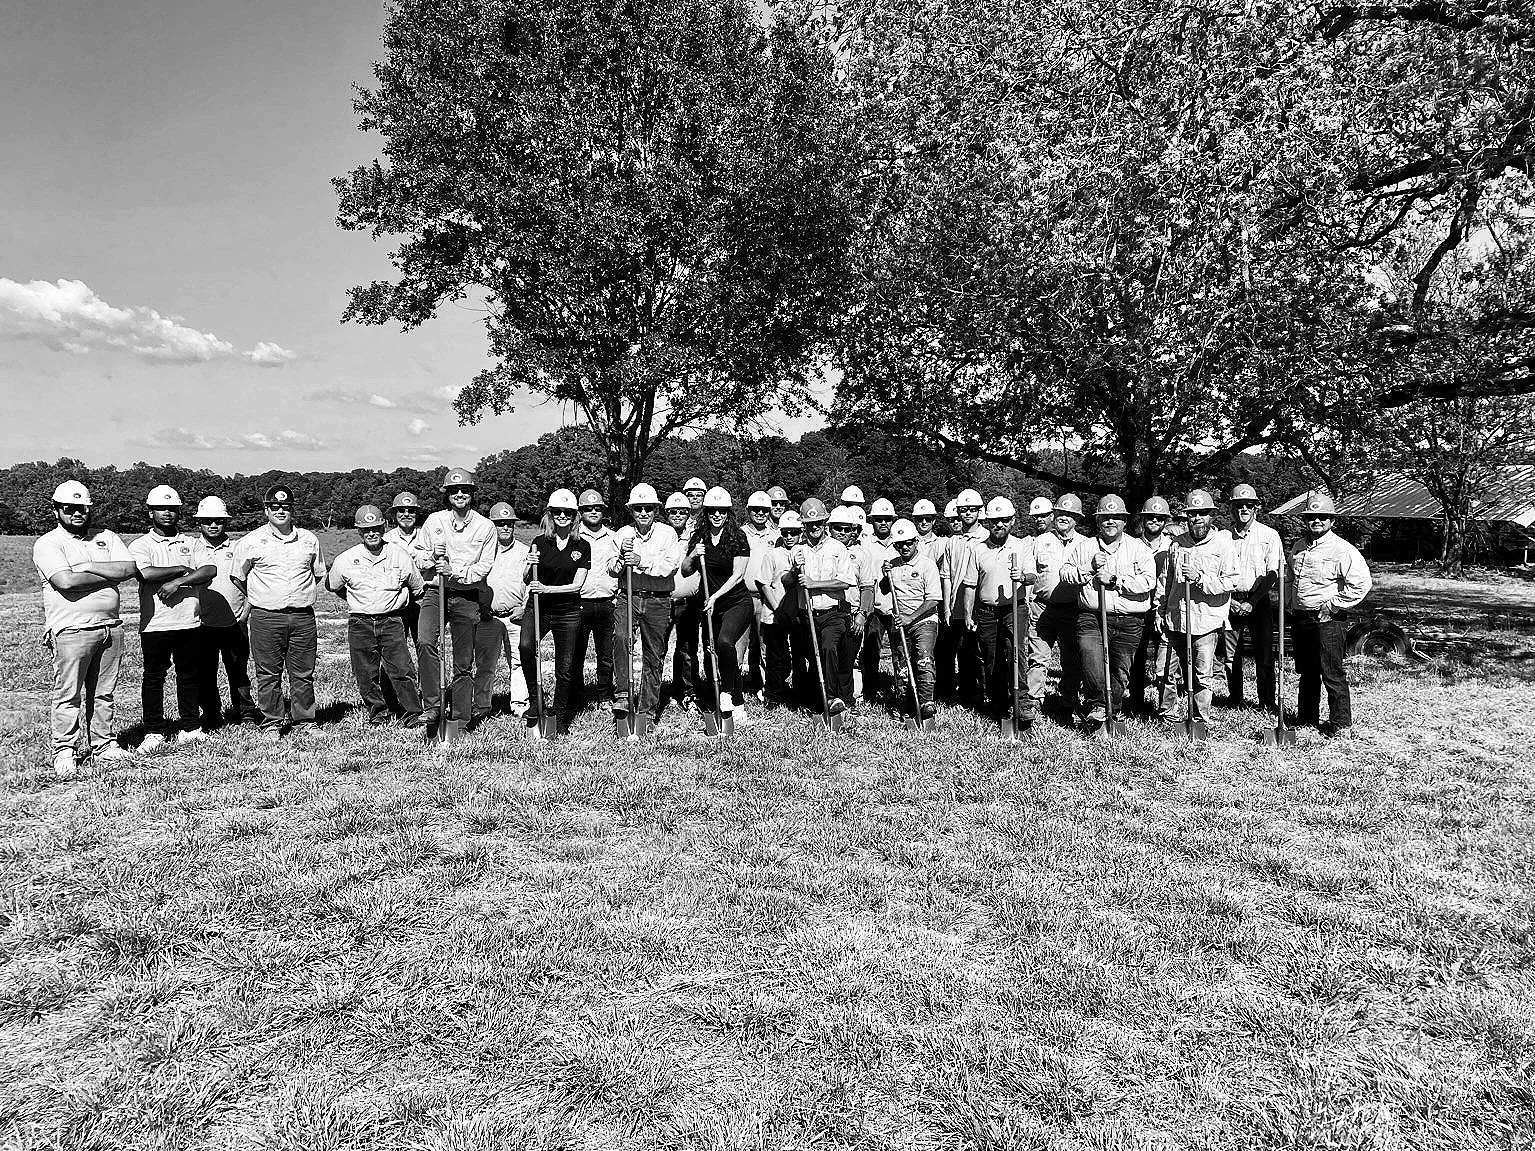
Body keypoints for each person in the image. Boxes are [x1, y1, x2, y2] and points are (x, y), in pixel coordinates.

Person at [33, 480, 138, 777]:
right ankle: (65, 750)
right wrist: (107, 572)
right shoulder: (48, 543)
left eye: (83, 508)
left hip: (110, 626)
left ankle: (104, 744)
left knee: (104, 693)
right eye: (70, 508)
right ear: (57, 510)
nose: (78, 513)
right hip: (71, 630)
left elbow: (129, 569)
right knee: (69, 694)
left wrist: (86, 567)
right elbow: (65, 582)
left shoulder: (106, 536)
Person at [231, 484, 327, 740]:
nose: (280, 511)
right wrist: (262, 595)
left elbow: (317, 574)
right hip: (266, 616)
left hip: (302, 616)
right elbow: (238, 577)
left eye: (285, 506)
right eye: (275, 506)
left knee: (303, 672)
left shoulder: (309, 540)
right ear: (266, 510)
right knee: (268, 673)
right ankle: (271, 722)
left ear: (292, 509)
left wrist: (296, 594)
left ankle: (305, 721)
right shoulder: (250, 541)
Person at [1059, 495, 1156, 732]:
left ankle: (1111, 710)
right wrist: (1089, 568)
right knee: (1091, 661)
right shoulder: (1085, 548)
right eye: (1105, 518)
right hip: (1091, 616)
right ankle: (1098, 705)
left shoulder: (1139, 548)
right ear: (1098, 521)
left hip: (1130, 620)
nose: (1110, 521)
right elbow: (1065, 574)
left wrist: (1115, 581)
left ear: (1124, 521)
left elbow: (1148, 582)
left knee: (1120, 672)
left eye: (1116, 518)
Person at [130, 485, 217, 750]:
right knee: (154, 677)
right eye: (161, 509)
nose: (167, 513)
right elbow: (144, 573)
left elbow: (209, 570)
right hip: (155, 623)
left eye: (172, 509)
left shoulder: (191, 543)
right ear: (150, 513)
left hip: (188, 621)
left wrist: (177, 584)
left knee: (189, 675)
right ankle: (154, 730)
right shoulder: (141, 545)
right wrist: (180, 570)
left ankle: (190, 726)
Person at [326, 505, 424, 727]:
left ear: (383, 527)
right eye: (366, 529)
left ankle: (412, 712)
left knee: (401, 669)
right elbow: (334, 586)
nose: (371, 533)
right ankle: (378, 713)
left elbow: (417, 588)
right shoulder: (346, 558)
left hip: (392, 621)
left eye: (376, 528)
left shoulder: (400, 556)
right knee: (366, 673)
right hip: (360, 622)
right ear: (359, 532)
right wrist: (358, 600)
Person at [1288, 492, 1372, 737]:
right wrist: (1288, 604)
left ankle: (1340, 724)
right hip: (1302, 618)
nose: (1316, 521)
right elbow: (1291, 579)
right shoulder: (1298, 547)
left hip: (1327, 621)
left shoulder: (1342, 549)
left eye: (1322, 517)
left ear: (1332, 521)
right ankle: (1306, 718)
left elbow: (1361, 583)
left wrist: (1334, 605)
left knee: (1332, 672)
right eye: (1312, 517)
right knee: (1307, 672)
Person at [421, 467, 495, 735]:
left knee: (463, 661)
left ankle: (461, 718)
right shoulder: (433, 521)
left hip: (467, 596)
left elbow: (484, 567)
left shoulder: (485, 527)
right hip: (435, 592)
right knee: (426, 641)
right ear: (447, 494)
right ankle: (432, 706)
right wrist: (431, 559)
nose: (460, 494)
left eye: (465, 490)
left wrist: (457, 573)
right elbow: (418, 556)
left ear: (472, 494)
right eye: (454, 490)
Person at [1159, 489, 1239, 727]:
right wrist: (1160, 610)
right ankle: (1168, 715)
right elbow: (1166, 581)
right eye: (1192, 514)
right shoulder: (1176, 544)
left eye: (1202, 513)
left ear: (1211, 516)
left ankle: (1199, 719)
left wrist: (1201, 578)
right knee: (1165, 671)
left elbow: (1231, 581)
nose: (1197, 518)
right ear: (1187, 517)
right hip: (1175, 618)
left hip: (1206, 621)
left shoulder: (1223, 545)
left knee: (1202, 675)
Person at [609, 484, 681, 733]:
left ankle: (647, 711)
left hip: (658, 600)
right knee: (621, 639)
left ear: (655, 510)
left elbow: (670, 566)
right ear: (631, 510)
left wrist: (642, 562)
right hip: (628, 596)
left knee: (654, 654)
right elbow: (611, 569)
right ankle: (623, 694)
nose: (643, 512)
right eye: (638, 508)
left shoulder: (668, 534)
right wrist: (620, 558)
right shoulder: (621, 534)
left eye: (648, 508)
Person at [682, 487, 754, 724]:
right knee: (714, 651)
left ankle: (730, 694)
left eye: (721, 511)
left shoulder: (737, 537)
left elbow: (738, 575)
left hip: (737, 602)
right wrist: (693, 554)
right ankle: (728, 698)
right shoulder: (700, 536)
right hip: (710, 605)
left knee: (724, 642)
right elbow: (685, 570)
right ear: (706, 512)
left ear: (728, 513)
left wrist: (715, 597)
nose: (717, 515)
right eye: (712, 510)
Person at [520, 489, 589, 735]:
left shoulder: (583, 546)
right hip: (538, 607)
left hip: (568, 612)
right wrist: (530, 565)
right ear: (550, 515)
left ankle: (559, 716)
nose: (562, 516)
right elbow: (527, 578)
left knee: (565, 667)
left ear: (574, 517)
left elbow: (577, 586)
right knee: (526, 647)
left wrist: (547, 588)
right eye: (557, 512)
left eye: (567, 513)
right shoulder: (539, 542)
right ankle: (534, 701)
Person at [191, 496, 262, 728]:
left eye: (219, 521)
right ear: (199, 522)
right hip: (202, 624)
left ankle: (246, 712)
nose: (214, 525)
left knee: (238, 672)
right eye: (208, 520)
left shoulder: (239, 547)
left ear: (226, 522)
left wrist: (248, 609)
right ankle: (211, 713)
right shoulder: (191, 549)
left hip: (236, 621)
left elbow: (254, 581)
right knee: (205, 672)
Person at [783, 498, 857, 716]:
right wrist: (795, 571)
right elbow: (787, 583)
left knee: (827, 648)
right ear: (803, 526)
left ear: (825, 523)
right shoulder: (798, 550)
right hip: (806, 615)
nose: (813, 527)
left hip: (832, 613)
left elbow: (845, 581)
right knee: (813, 656)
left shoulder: (838, 548)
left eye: (818, 523)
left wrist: (815, 585)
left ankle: (832, 697)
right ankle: (819, 698)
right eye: (808, 524)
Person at [967, 497, 1037, 723]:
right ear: (988, 522)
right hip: (987, 611)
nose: (999, 525)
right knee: (991, 657)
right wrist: (969, 613)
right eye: (994, 521)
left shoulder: (1021, 546)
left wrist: (1023, 577)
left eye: (1004, 520)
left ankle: (1022, 702)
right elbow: (970, 585)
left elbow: (1033, 575)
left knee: (1015, 652)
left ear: (1013, 521)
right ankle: (998, 702)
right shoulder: (978, 549)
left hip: (1014, 608)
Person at [1222, 483, 1283, 710]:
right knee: (1231, 656)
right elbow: (1218, 573)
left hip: (1259, 601)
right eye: (1239, 505)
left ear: (1256, 508)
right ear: (1232, 508)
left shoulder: (1269, 535)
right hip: (1229, 601)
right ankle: (1235, 698)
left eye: (1249, 505)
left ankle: (1267, 701)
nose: (1244, 509)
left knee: (1265, 655)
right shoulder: (1222, 537)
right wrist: (1231, 601)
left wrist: (1252, 602)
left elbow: (1273, 574)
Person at [1028, 493, 1087, 720]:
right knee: (1038, 657)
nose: (1064, 518)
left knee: (1071, 659)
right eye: (1061, 513)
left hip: (1073, 609)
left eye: (1069, 514)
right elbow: (1030, 573)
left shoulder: (1085, 544)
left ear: (1077, 519)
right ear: (1054, 515)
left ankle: (1067, 702)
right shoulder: (1040, 541)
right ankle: (1033, 701)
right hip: (1041, 607)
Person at [473, 502, 531, 723]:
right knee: (485, 664)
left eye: (509, 524)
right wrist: (481, 607)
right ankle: (482, 704)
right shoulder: (484, 552)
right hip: (489, 616)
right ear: (492, 526)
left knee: (518, 661)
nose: (505, 528)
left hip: (515, 615)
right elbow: (476, 581)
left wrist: (524, 608)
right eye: (500, 524)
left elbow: (531, 583)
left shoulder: (525, 552)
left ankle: (520, 705)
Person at [881, 517, 943, 720]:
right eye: (900, 544)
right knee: (902, 666)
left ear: (916, 542)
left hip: (924, 620)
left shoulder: (927, 565)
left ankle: (926, 703)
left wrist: (911, 617)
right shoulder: (893, 565)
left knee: (923, 660)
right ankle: (908, 704)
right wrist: (885, 575)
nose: (904, 547)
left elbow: (933, 599)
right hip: (900, 622)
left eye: (909, 543)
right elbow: (883, 589)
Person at [571, 489, 619, 708]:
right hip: (579, 602)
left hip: (607, 603)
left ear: (603, 511)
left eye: (597, 508)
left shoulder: (613, 537)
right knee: (575, 653)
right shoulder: (573, 537)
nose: (593, 512)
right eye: (587, 508)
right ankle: (575, 694)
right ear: (580, 512)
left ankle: (605, 694)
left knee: (606, 656)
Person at [1129, 495, 1175, 714]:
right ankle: (1136, 702)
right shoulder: (1132, 544)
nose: (1154, 520)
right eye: (1150, 517)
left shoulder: (1173, 546)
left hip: (1163, 608)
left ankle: (1164, 706)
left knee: (1165, 659)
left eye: (1159, 517)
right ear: (1143, 519)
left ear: (1165, 521)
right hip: (1138, 607)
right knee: (1137, 657)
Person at [753, 509, 800, 708]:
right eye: (785, 532)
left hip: (798, 613)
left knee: (798, 656)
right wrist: (777, 608)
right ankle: (773, 694)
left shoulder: (805, 552)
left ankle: (799, 691)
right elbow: (764, 584)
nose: (789, 537)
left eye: (794, 532)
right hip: (775, 613)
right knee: (775, 656)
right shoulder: (772, 554)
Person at [829, 505, 875, 707]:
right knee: (828, 657)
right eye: (838, 528)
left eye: (848, 529)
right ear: (830, 528)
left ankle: (846, 701)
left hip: (852, 614)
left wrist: (862, 614)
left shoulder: (862, 555)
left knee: (847, 662)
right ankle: (827, 698)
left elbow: (867, 588)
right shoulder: (824, 552)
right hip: (829, 613)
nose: (843, 533)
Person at [933, 498, 978, 706]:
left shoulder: (984, 539)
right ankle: (947, 692)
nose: (965, 515)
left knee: (972, 653)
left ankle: (973, 695)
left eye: (971, 510)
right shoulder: (951, 543)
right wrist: (947, 607)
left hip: (977, 607)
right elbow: (947, 577)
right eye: (963, 511)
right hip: (954, 607)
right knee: (948, 652)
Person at [741, 490, 780, 698]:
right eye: (756, 509)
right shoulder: (740, 533)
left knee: (765, 644)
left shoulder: (776, 536)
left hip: (766, 597)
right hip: (742, 596)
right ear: (748, 510)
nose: (760, 513)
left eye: (764, 510)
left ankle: (765, 687)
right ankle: (734, 688)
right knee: (740, 643)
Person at [665, 491, 701, 711]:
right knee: (658, 649)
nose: (678, 515)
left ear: (689, 514)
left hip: (688, 602)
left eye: (682, 512)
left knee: (687, 649)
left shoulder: (696, 535)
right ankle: (660, 691)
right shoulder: (661, 534)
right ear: (667, 514)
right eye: (673, 512)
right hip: (664, 600)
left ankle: (688, 692)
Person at [384, 491, 429, 666]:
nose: (406, 515)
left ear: (417, 513)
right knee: (395, 647)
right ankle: (396, 690)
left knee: (425, 645)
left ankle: (427, 689)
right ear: (395, 514)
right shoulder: (386, 539)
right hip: (397, 602)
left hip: (423, 600)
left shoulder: (427, 536)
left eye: (411, 510)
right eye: (401, 510)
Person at [911, 499, 942, 564]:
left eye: (928, 519)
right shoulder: (909, 542)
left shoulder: (940, 543)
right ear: (915, 521)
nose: (924, 522)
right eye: (920, 519)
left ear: (933, 521)